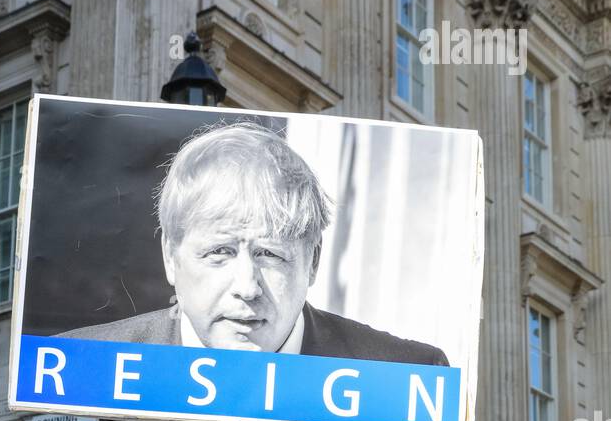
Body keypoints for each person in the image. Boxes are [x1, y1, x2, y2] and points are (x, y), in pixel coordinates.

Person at [62, 122, 448, 365]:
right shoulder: (76, 363)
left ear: (313, 262)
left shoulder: (413, 373)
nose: (247, 287)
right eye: (219, 253)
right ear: (170, 256)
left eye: (270, 254)